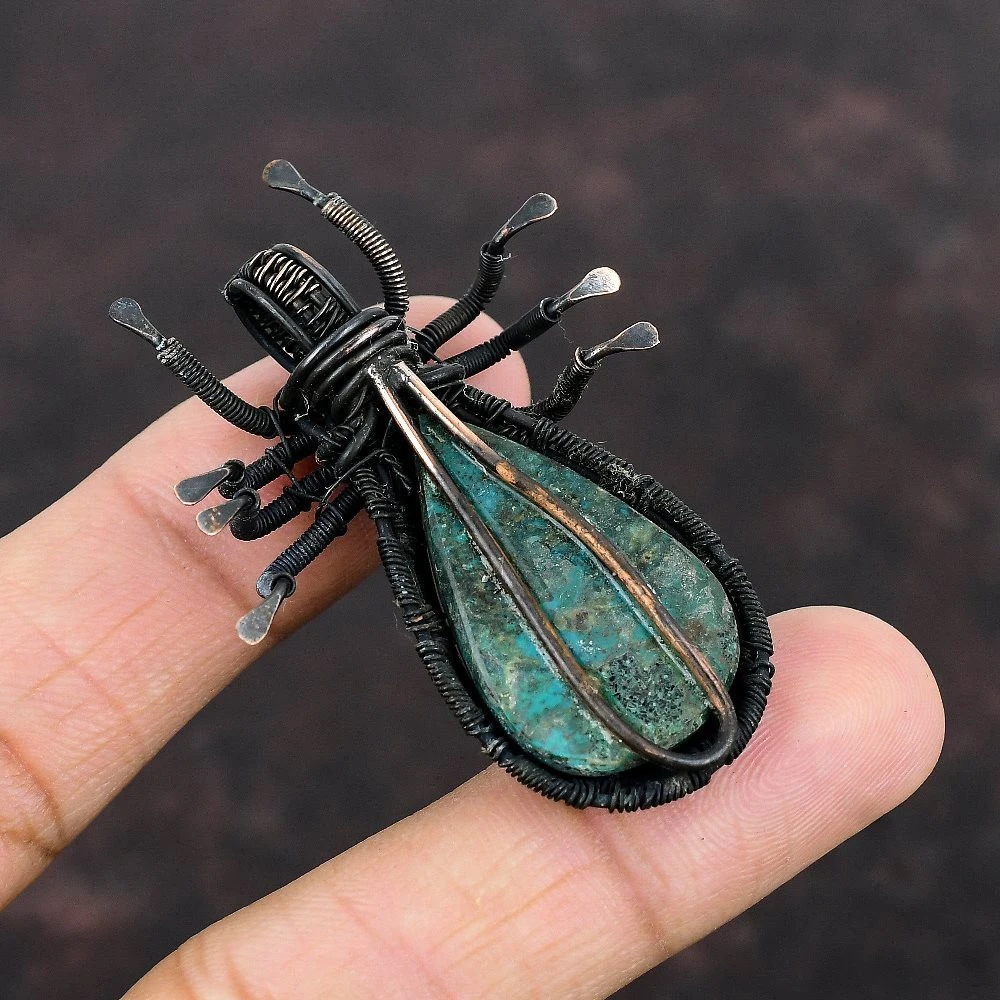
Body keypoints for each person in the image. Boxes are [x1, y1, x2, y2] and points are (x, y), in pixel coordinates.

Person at [0, 297, 944, 997]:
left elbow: (266, 480)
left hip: (667, 645)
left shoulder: (376, 429)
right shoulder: (357, 442)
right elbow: (266, 486)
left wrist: (170, 351)